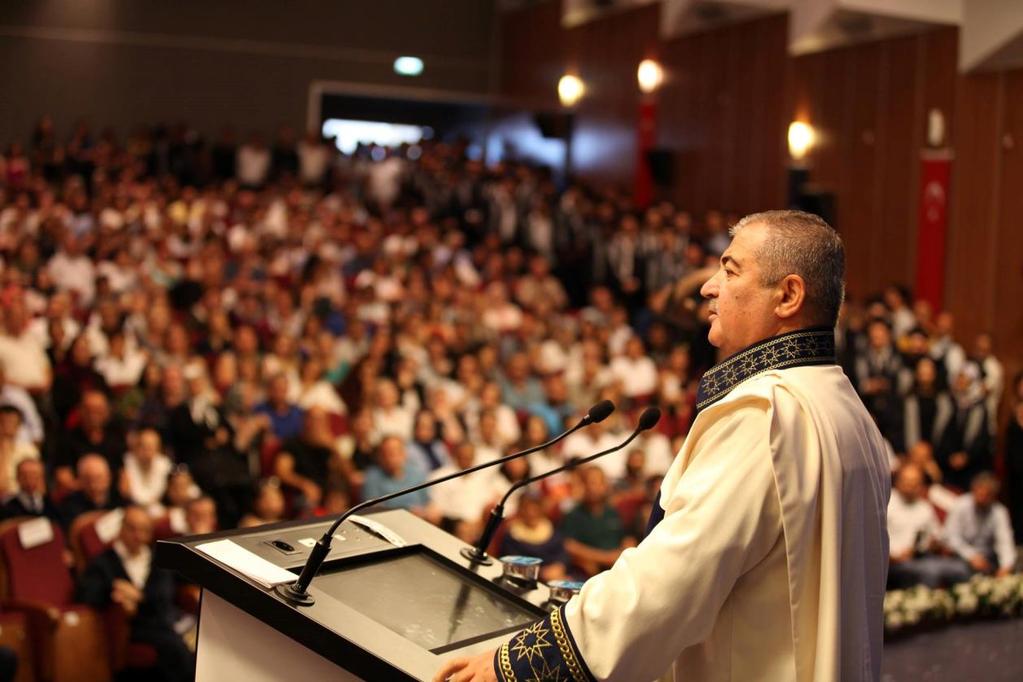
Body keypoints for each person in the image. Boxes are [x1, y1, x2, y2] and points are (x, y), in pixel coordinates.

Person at [435, 210, 890, 682]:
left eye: (730, 271)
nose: (708, 287)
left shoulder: (767, 417)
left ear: (788, 295)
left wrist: (516, 663)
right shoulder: (848, 411)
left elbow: (668, 584)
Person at [76, 506, 193, 682]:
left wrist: (137, 595)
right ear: (121, 528)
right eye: (132, 529)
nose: (138, 536)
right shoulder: (104, 562)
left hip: (167, 619)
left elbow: (164, 594)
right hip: (135, 627)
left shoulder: (157, 558)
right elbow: (86, 595)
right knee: (176, 650)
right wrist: (113, 587)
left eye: (144, 531)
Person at [887, 464, 966, 588]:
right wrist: (893, 556)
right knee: (930, 572)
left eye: (915, 482)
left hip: (921, 556)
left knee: (960, 569)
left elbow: (938, 536)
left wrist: (934, 543)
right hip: (893, 562)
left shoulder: (924, 507)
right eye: (907, 481)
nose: (911, 486)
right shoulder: (886, 503)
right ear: (897, 482)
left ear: (921, 485)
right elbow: (874, 540)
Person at [944, 472, 1017, 577]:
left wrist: (1006, 566)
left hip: (989, 559)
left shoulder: (999, 512)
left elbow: (1005, 542)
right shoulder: (960, 505)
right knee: (961, 571)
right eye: (979, 494)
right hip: (961, 557)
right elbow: (951, 537)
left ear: (993, 496)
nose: (981, 498)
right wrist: (971, 556)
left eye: (986, 495)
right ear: (973, 490)